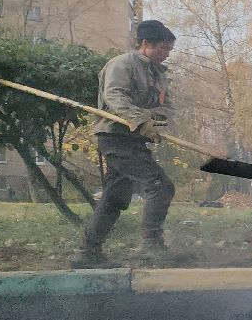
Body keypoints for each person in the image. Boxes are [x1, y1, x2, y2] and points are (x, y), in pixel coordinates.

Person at [73, 19, 178, 268]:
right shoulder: (122, 65)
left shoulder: (160, 75)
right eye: (162, 49)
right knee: (160, 186)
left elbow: (166, 107)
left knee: (115, 197)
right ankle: (151, 246)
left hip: (135, 140)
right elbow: (114, 96)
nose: (165, 54)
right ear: (145, 44)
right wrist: (140, 119)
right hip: (115, 138)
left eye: (169, 50)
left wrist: (154, 121)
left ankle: (88, 253)